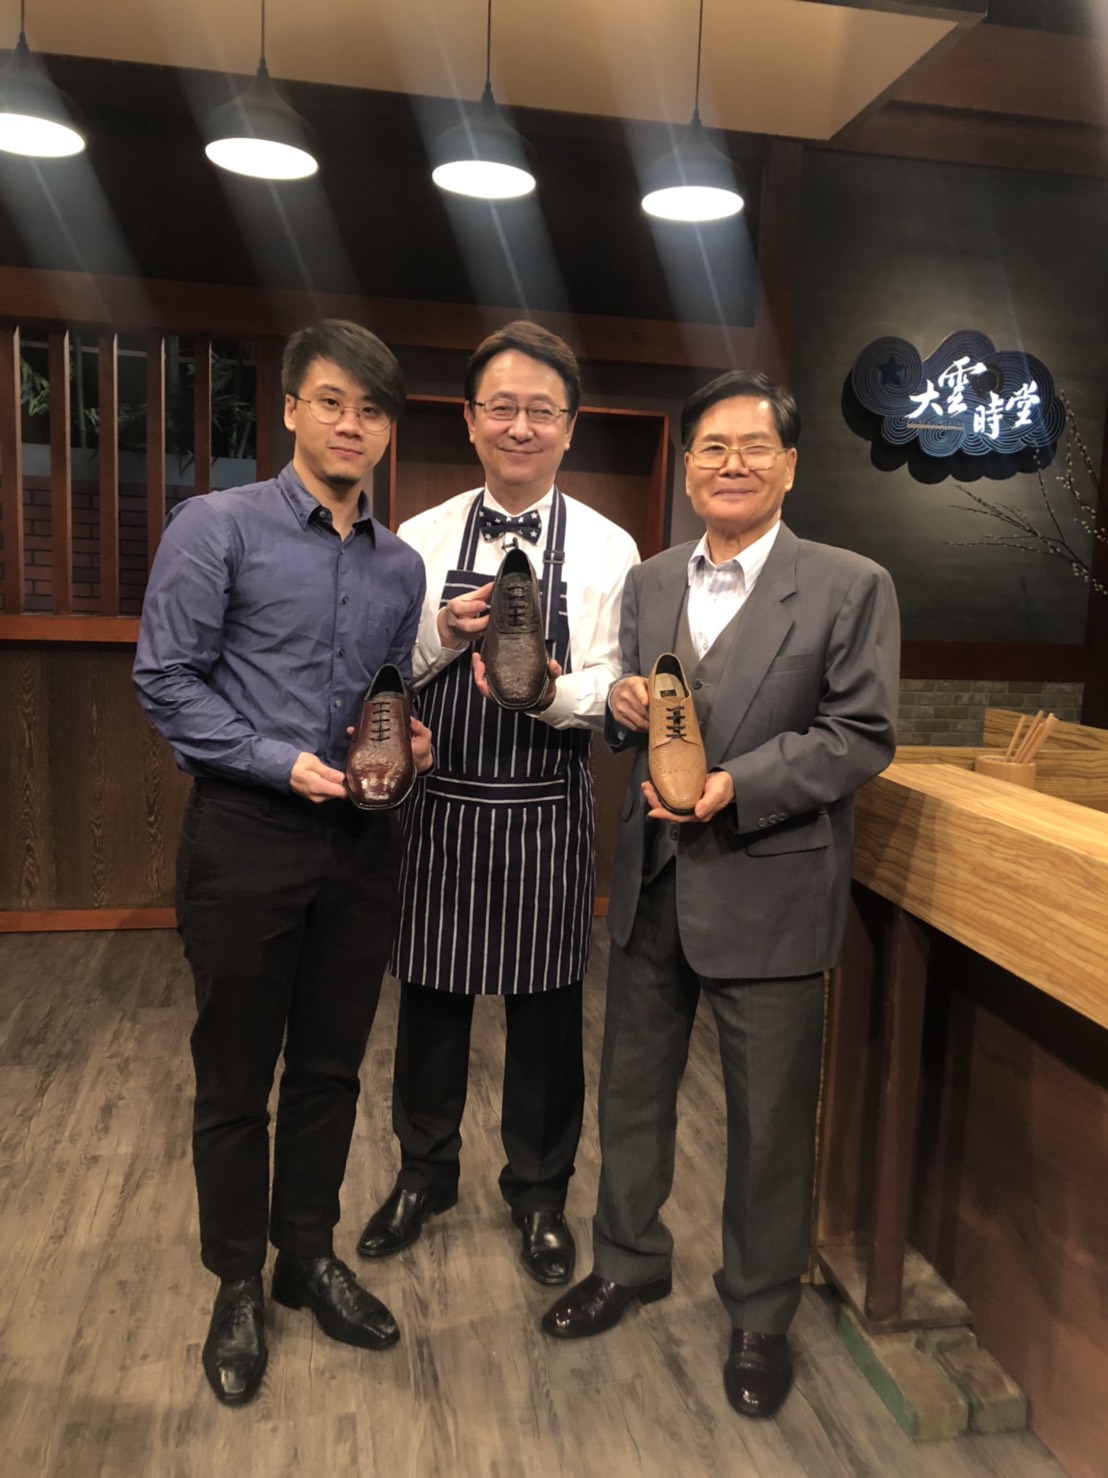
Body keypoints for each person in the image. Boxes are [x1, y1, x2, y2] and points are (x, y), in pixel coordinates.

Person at [540, 370, 900, 1420]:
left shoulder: (849, 584)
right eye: (711, 446)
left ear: (790, 466)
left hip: (771, 886)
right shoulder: (652, 579)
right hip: (652, 882)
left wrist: (739, 786)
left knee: (769, 1121)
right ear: (688, 466)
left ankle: (758, 1309)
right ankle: (627, 1260)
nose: (730, 463)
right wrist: (619, 706)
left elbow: (859, 734)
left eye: (753, 447)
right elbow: (645, 717)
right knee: (632, 1092)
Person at [133, 319, 432, 1407]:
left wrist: (405, 742)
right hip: (246, 834)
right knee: (234, 1074)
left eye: (373, 409)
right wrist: (280, 762)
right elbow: (166, 679)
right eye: (333, 401)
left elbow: (387, 694)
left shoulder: (400, 565)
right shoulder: (217, 527)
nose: (352, 423)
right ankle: (236, 1280)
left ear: (388, 431)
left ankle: (306, 1253)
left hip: (362, 844)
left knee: (331, 1066)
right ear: (294, 409)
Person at [357, 321, 639, 1286]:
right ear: (472, 421)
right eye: (503, 409)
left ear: (570, 427)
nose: (521, 427)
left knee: (548, 1021)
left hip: (546, 808)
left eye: (541, 411)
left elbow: (617, 685)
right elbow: (383, 676)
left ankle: (539, 1194)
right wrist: (441, 632)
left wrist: (548, 690)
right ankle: (423, 1175)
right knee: (430, 1008)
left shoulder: (608, 548)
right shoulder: (420, 538)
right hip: (440, 806)